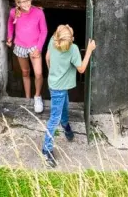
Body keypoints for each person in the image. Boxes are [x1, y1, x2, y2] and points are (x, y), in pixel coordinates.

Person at [42, 24, 96, 168]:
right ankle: (46, 150)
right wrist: (89, 51)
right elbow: (82, 69)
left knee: (64, 106)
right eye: (69, 28)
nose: (68, 25)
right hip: (59, 88)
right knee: (54, 118)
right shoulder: (73, 49)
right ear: (71, 39)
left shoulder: (53, 41)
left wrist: (53, 73)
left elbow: (47, 58)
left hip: (55, 84)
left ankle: (65, 126)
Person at [7, 0, 47, 113]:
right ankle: (27, 98)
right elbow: (10, 23)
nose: (26, 4)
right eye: (22, 2)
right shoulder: (14, 12)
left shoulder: (39, 12)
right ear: (17, 3)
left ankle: (37, 97)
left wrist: (38, 48)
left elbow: (44, 31)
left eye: (27, 0)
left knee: (38, 74)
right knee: (25, 72)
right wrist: (9, 37)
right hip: (20, 45)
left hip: (34, 47)